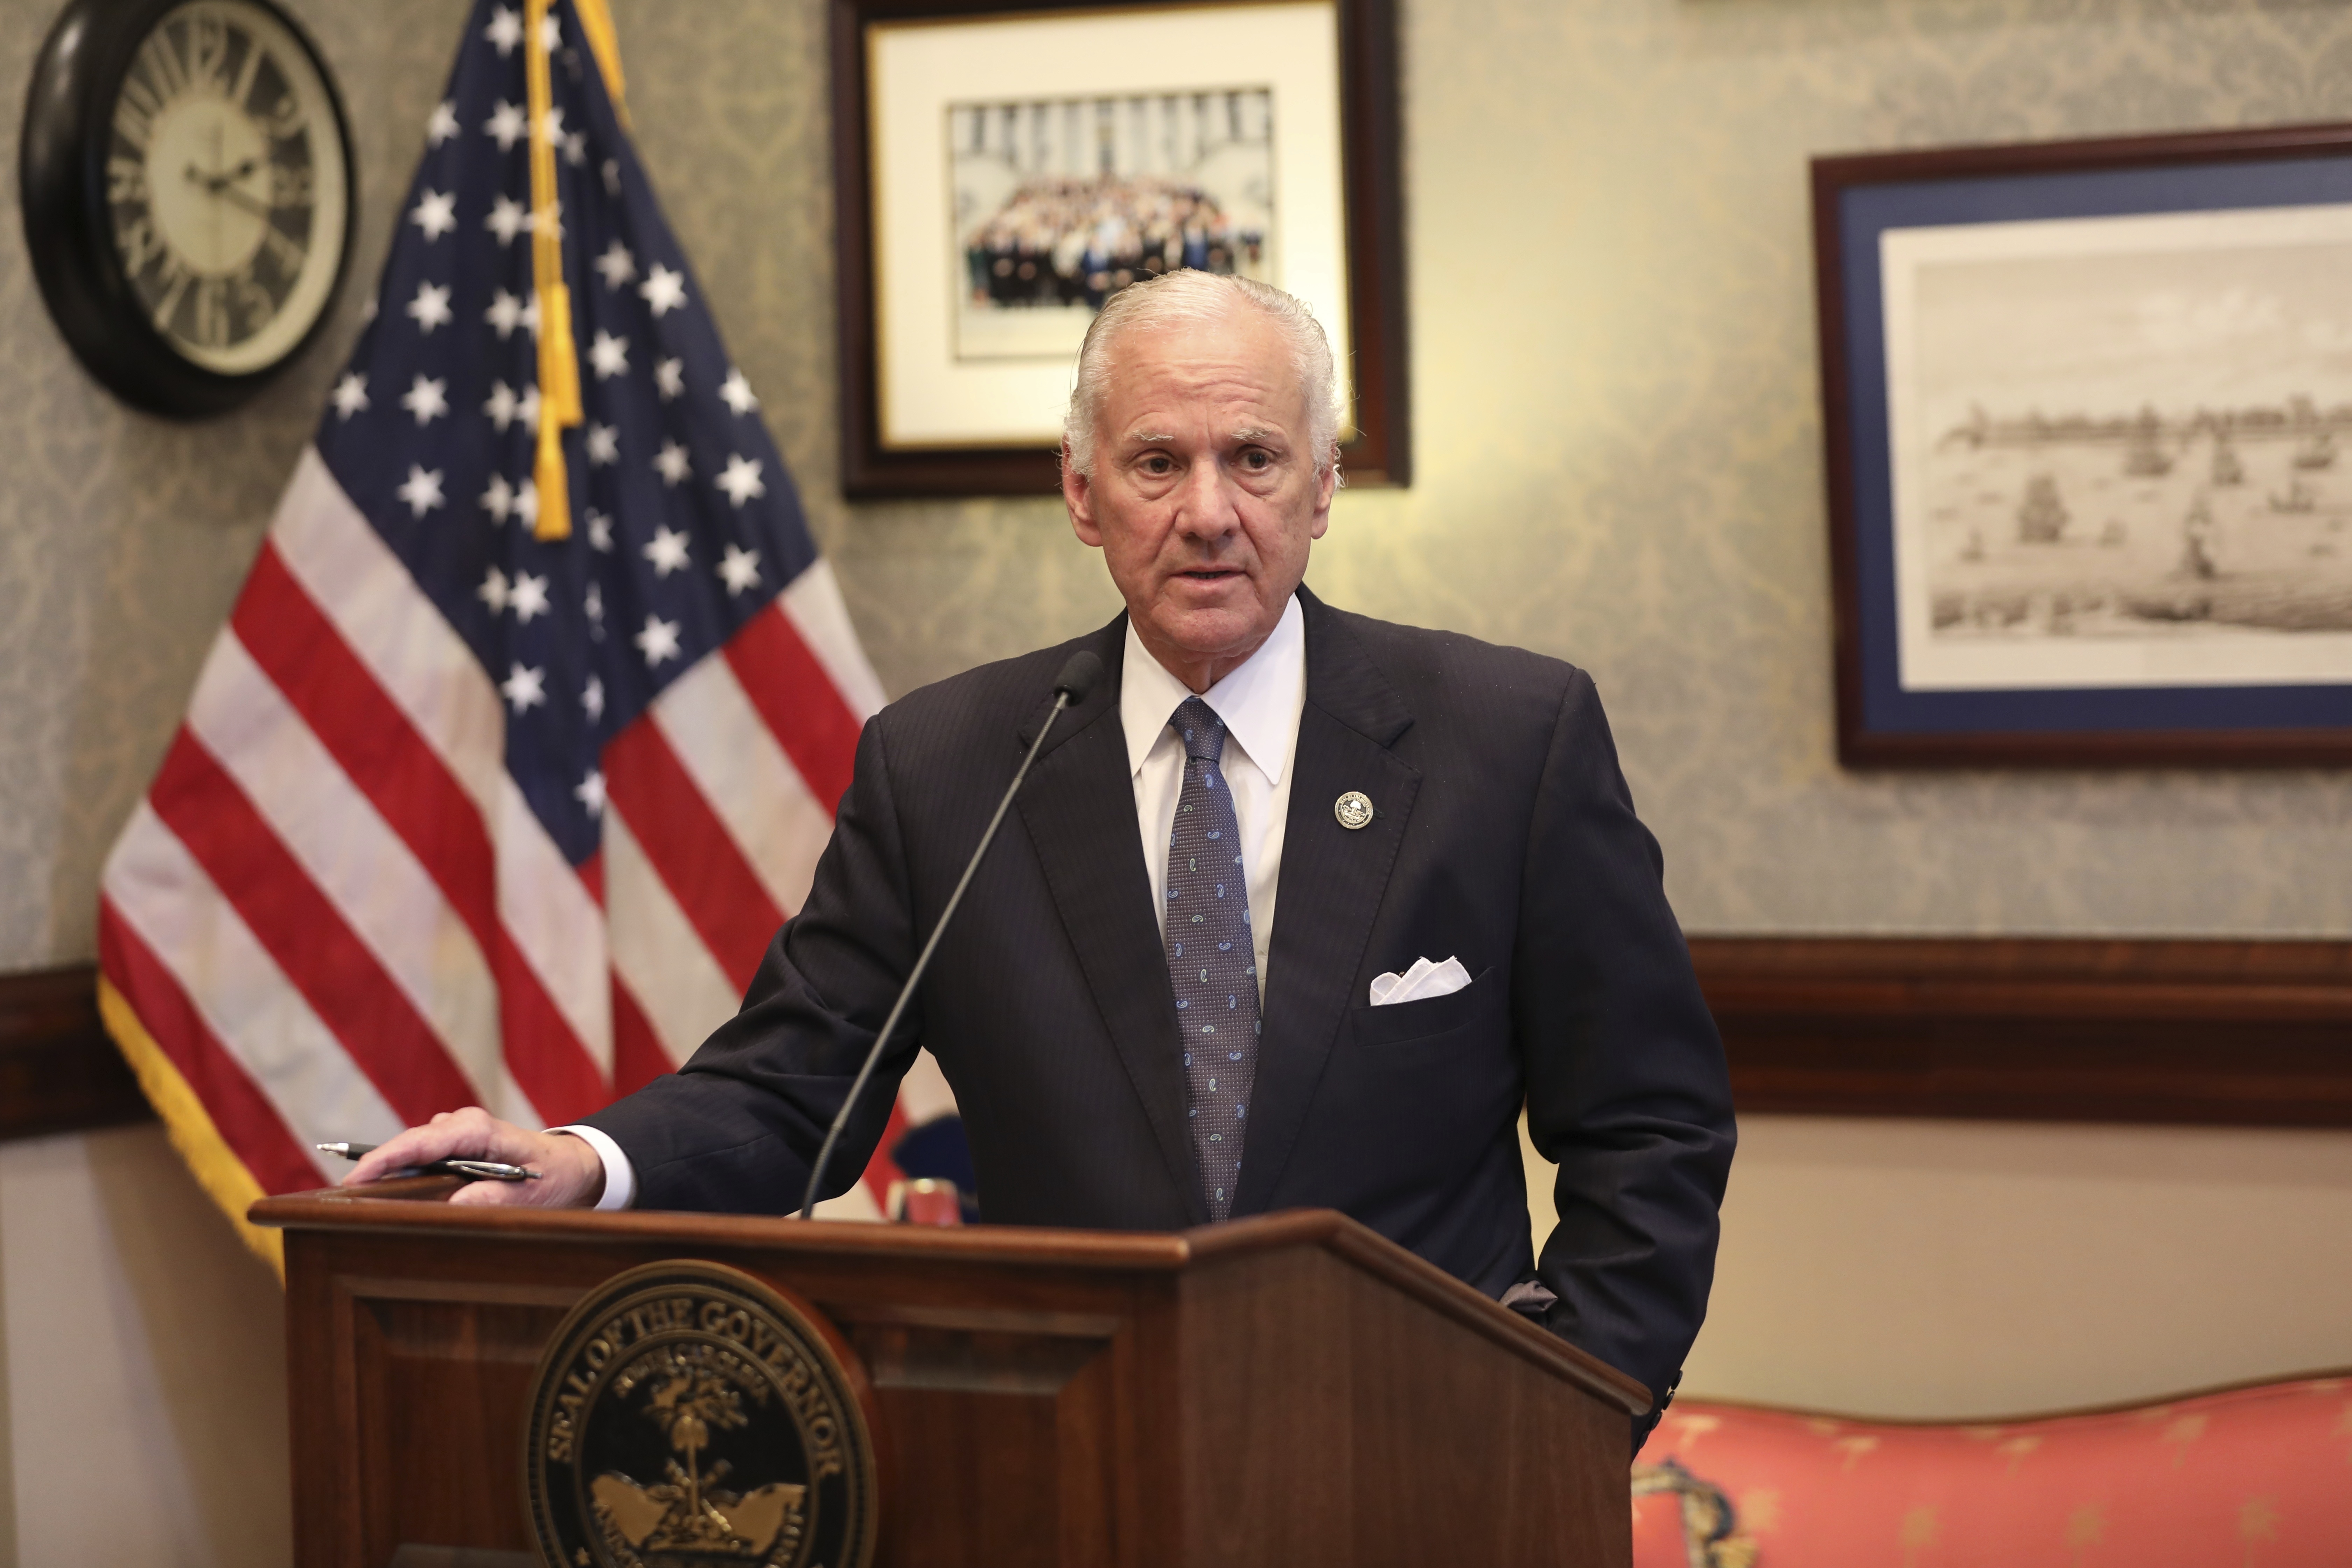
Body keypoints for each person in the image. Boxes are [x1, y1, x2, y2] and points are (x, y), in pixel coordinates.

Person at [353, 270, 1736, 1445]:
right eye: (1156, 462)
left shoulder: (1508, 740)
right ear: (1083, 493)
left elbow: (1650, 1125)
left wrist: (1567, 1398)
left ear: (1322, 489)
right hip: (1075, 1460)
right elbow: (793, 1094)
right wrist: (587, 1161)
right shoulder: (947, 766)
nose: (1208, 510)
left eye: (1253, 459)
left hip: (1428, 1460)